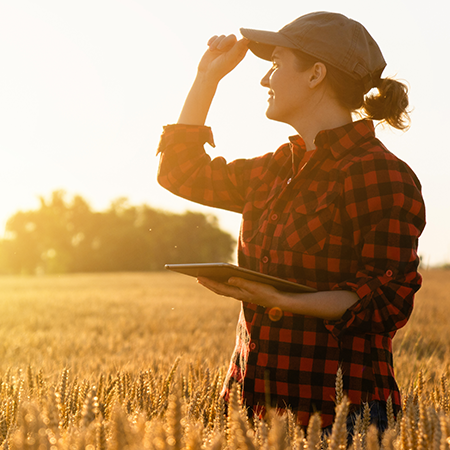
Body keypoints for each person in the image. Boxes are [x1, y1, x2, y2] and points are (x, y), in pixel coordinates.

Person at [156, 11, 426, 431]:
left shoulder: (381, 174)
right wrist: (206, 78)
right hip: (252, 407)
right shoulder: (275, 169)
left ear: (316, 74)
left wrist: (282, 300)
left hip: (341, 417)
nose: (266, 79)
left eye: (277, 64)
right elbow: (180, 172)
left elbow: (385, 300)